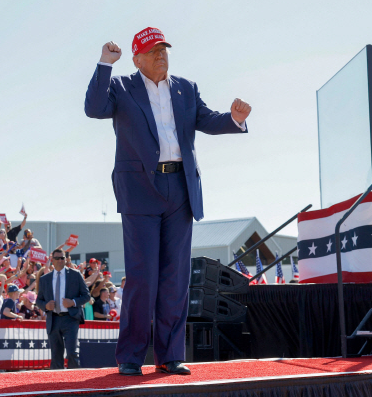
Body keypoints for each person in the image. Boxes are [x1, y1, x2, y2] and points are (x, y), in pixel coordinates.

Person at [85, 28, 251, 376]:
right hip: (140, 189)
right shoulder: (121, 86)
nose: (161, 54)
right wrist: (104, 65)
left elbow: (208, 120)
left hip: (181, 186)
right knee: (142, 277)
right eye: (153, 50)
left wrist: (235, 118)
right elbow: (94, 108)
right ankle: (131, 356)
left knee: (175, 278)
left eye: (164, 49)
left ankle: (170, 356)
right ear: (137, 59)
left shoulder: (186, 88)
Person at [36, 248, 90, 369]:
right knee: (56, 355)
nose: (60, 260)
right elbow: (38, 301)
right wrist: (45, 306)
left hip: (70, 319)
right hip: (53, 319)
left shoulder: (75, 275)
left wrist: (73, 302)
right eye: (58, 258)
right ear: (52, 260)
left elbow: (87, 296)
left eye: (63, 258)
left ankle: (75, 382)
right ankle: (56, 384)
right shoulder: (45, 279)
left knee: (71, 353)